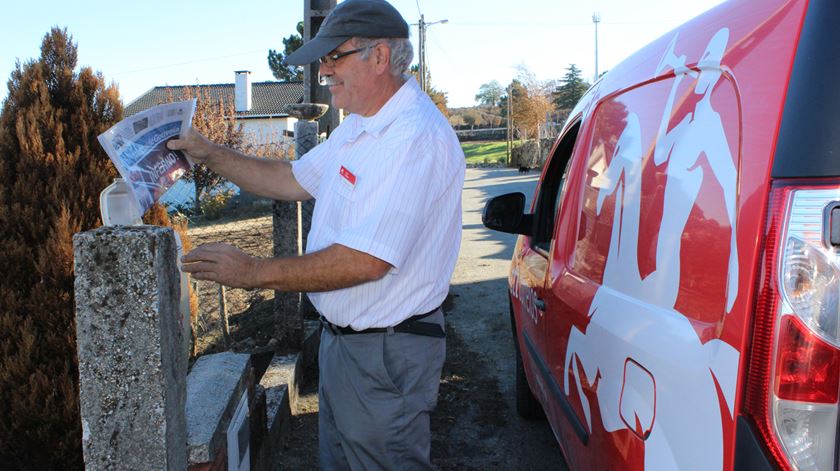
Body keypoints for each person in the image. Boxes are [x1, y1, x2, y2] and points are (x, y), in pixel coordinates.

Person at [167, 0, 465, 469]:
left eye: (333, 57)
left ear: (380, 57)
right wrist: (208, 153)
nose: (323, 70)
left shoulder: (415, 138)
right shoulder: (361, 127)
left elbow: (366, 261)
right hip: (348, 346)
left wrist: (252, 272)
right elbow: (291, 179)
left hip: (386, 354)